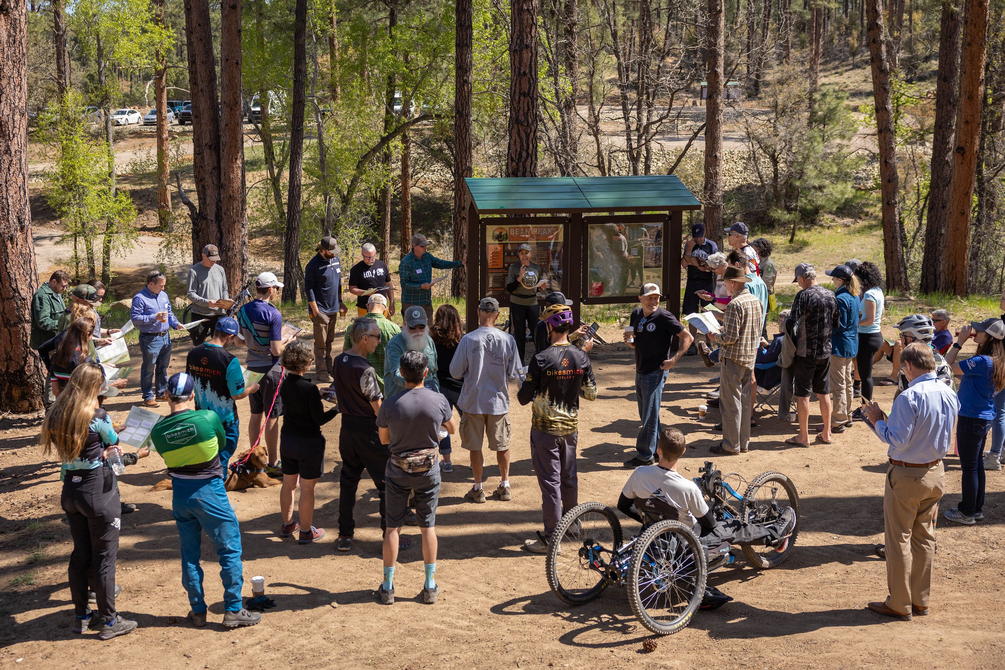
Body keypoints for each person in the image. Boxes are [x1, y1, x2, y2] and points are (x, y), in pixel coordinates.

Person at [149, 373, 261, 629]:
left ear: (166, 395)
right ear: (192, 396)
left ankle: (197, 611)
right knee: (229, 550)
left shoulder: (158, 430)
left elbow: (166, 456)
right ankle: (233, 609)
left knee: (189, 555)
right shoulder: (207, 418)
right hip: (210, 492)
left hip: (180, 495)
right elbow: (222, 444)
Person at [863, 343, 960, 621]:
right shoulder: (948, 392)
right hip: (935, 472)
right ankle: (921, 600)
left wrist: (876, 421)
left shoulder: (909, 397)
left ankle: (900, 602)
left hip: (906, 475)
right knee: (925, 538)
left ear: (907, 366)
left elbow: (898, 439)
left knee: (898, 540)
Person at [40, 361, 136, 640]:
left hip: (70, 490)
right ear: (95, 386)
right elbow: (113, 440)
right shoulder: (97, 414)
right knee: (104, 558)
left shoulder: (58, 413)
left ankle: (81, 617)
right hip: (98, 491)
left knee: (80, 555)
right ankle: (109, 622)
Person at [618, 427, 794, 545]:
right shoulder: (688, 488)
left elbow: (623, 505)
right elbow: (709, 524)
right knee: (734, 527)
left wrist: (651, 523)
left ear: (658, 450)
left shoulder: (639, 473)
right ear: (683, 452)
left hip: (655, 533)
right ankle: (776, 534)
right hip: (686, 541)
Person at [376, 350, 455, 606]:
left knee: (392, 527)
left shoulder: (389, 403)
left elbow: (384, 440)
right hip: (429, 471)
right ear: (425, 373)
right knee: (427, 526)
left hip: (397, 471)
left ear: (401, 374)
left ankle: (388, 587)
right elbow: (452, 428)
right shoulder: (439, 399)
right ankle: (429, 584)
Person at [517, 304, 597, 553]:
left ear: (550, 327)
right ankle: (572, 524)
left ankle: (553, 539)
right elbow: (591, 393)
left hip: (545, 430)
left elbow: (523, 397)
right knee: (568, 477)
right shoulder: (581, 356)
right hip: (570, 429)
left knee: (551, 483)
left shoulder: (540, 359)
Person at [331, 318, 396, 553]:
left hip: (346, 430)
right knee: (386, 483)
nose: (380, 341)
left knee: (348, 482)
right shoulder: (365, 369)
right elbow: (377, 406)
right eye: (377, 337)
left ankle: (344, 534)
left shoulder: (339, 361)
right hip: (368, 431)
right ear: (364, 339)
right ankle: (389, 536)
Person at [451, 297, 521, 502]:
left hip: (473, 400)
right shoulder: (508, 340)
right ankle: (505, 484)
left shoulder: (468, 340)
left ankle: (478, 487)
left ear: (478, 312)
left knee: (475, 446)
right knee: (502, 444)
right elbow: (515, 374)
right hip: (497, 401)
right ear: (498, 314)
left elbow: (455, 372)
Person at [622, 283, 692, 467]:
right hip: (641, 369)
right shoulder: (637, 314)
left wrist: (674, 360)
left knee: (649, 416)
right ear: (641, 298)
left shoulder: (664, 317)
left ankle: (645, 455)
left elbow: (688, 337)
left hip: (656, 372)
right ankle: (660, 449)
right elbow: (633, 339)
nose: (654, 301)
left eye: (657, 297)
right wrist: (631, 343)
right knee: (647, 413)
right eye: (649, 297)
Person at [943, 318, 1005, 525]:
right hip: (982, 417)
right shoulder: (994, 361)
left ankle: (967, 512)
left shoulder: (982, 362)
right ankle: (976, 509)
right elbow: (966, 377)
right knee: (976, 464)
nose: (973, 332)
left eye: (978, 331)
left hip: (972, 417)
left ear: (988, 337)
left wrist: (959, 342)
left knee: (969, 467)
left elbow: (946, 365)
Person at [277, 341, 339, 544]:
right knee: (307, 488)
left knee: (288, 484)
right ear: (306, 362)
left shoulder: (284, 384)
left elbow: (297, 399)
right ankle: (305, 531)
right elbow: (319, 419)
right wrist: (337, 409)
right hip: (308, 443)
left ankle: (287, 525)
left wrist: (316, 395)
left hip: (287, 439)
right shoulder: (310, 389)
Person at [186, 317, 260, 476]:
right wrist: (252, 388)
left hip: (201, 416)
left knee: (207, 452)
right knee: (222, 457)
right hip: (225, 420)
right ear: (229, 336)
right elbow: (237, 394)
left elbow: (189, 382)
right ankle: (217, 486)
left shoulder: (193, 352)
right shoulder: (229, 360)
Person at [236, 272, 292, 476]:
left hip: (251, 367)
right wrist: (288, 342)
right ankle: (273, 461)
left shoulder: (243, 310)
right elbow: (276, 350)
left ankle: (254, 456)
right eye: (276, 288)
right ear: (270, 290)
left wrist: (254, 342)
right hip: (271, 369)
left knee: (255, 413)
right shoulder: (273, 314)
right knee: (272, 416)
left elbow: (238, 341)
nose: (276, 291)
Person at [707, 267, 762, 455]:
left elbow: (730, 337)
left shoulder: (734, 304)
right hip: (749, 357)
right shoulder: (755, 301)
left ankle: (730, 445)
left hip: (733, 358)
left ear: (732, 283)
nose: (725, 287)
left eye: (725, 283)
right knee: (745, 403)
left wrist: (715, 337)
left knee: (731, 403)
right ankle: (743, 443)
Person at [785, 263, 839, 448]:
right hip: (825, 350)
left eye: (798, 281)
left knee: (803, 394)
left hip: (805, 351)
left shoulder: (803, 295)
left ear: (801, 278)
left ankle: (803, 436)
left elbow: (792, 322)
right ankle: (827, 432)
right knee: (824, 392)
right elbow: (836, 322)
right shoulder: (831, 294)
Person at [131, 270, 186, 408]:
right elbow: (135, 318)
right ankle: (148, 396)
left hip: (165, 337)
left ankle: (161, 393)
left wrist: (176, 324)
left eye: (164, 286)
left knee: (163, 367)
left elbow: (170, 314)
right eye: (161, 286)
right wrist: (154, 317)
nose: (163, 288)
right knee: (149, 368)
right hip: (150, 339)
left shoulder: (163, 296)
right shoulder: (140, 298)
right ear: (151, 284)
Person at [304, 236, 348, 383]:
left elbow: (338, 282)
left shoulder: (335, 260)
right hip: (320, 310)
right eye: (331, 251)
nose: (335, 254)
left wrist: (340, 301)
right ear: (323, 250)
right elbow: (308, 289)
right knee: (320, 344)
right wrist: (315, 311)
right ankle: (321, 372)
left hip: (334, 308)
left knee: (329, 341)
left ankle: (329, 369)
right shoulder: (313, 265)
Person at [398, 233, 465, 322]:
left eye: (426, 245)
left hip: (426, 301)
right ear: (414, 246)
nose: (425, 247)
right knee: (412, 330)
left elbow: (441, 263)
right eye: (422, 246)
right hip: (411, 303)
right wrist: (421, 286)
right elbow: (404, 285)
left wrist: (461, 263)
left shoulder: (427, 256)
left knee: (428, 329)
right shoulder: (406, 262)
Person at [342, 293, 401, 392]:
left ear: (367, 306)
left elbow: (346, 355)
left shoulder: (352, 328)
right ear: (385, 308)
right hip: (387, 387)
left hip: (360, 385)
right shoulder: (394, 328)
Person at [430, 304, 465, 472]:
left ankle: (447, 461)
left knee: (442, 424)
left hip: (440, 386)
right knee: (469, 422)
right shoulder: (462, 340)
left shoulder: (433, 339)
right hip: (459, 387)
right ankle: (475, 458)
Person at [826, 264, 860, 432]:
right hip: (851, 343)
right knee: (846, 382)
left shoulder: (840, 298)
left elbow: (840, 324)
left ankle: (839, 420)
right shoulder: (854, 295)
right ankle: (847, 415)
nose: (832, 281)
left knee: (839, 384)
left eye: (833, 278)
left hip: (839, 344)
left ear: (840, 280)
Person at [384, 305, 439, 400]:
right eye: (413, 327)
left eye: (421, 326)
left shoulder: (429, 341)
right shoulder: (394, 345)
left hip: (428, 398)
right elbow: (397, 375)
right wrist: (420, 385)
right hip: (401, 399)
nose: (417, 331)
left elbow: (434, 373)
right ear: (405, 324)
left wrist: (437, 394)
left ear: (426, 322)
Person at [507, 243, 548, 363]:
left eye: (526, 253)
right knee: (519, 334)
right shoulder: (514, 268)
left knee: (536, 331)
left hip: (532, 302)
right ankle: (519, 362)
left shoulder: (536, 268)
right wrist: (519, 277)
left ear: (530, 254)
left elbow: (535, 287)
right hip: (517, 303)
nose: (524, 255)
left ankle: (540, 360)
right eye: (522, 253)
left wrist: (542, 288)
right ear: (518, 255)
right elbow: (509, 288)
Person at [852, 261, 885, 415]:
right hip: (874, 335)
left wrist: (853, 324)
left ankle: (865, 409)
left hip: (868, 336)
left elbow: (869, 319)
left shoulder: (870, 294)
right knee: (866, 375)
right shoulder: (878, 290)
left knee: (866, 377)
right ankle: (866, 407)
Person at [681, 223, 718, 354]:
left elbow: (716, 265)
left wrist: (706, 267)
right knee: (692, 312)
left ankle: (709, 342)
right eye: (696, 237)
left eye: (700, 237)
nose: (698, 239)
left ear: (705, 233)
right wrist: (689, 249)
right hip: (692, 281)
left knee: (708, 312)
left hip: (706, 281)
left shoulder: (711, 245)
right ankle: (692, 343)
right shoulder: (690, 245)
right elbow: (684, 265)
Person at [186, 244, 230, 346]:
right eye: (211, 259)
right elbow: (191, 294)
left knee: (220, 345)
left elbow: (224, 289)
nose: (214, 262)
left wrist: (225, 300)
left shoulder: (220, 269)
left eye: (215, 259)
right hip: (200, 314)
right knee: (199, 345)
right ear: (203, 256)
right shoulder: (194, 271)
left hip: (219, 314)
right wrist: (207, 303)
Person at [50, 316, 98, 396]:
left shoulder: (55, 358)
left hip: (62, 405)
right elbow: (91, 390)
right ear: (87, 334)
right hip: (81, 405)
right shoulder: (85, 360)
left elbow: (55, 391)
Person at [347, 242, 395, 317]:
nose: (370, 260)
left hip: (382, 306)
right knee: (365, 328)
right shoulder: (356, 269)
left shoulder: (382, 265)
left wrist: (392, 303)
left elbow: (388, 284)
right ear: (362, 255)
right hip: (364, 307)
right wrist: (366, 292)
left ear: (375, 253)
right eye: (367, 257)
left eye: (372, 257)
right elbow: (352, 289)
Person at [31, 270, 70, 349]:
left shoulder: (57, 293)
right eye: (63, 286)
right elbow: (43, 322)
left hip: (58, 341)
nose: (65, 288)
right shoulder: (42, 296)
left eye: (66, 286)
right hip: (48, 344)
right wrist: (64, 324)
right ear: (54, 281)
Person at [750, 237, 777, 312]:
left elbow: (767, 282)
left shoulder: (767, 263)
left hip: (762, 295)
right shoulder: (757, 261)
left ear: (761, 249)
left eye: (755, 249)